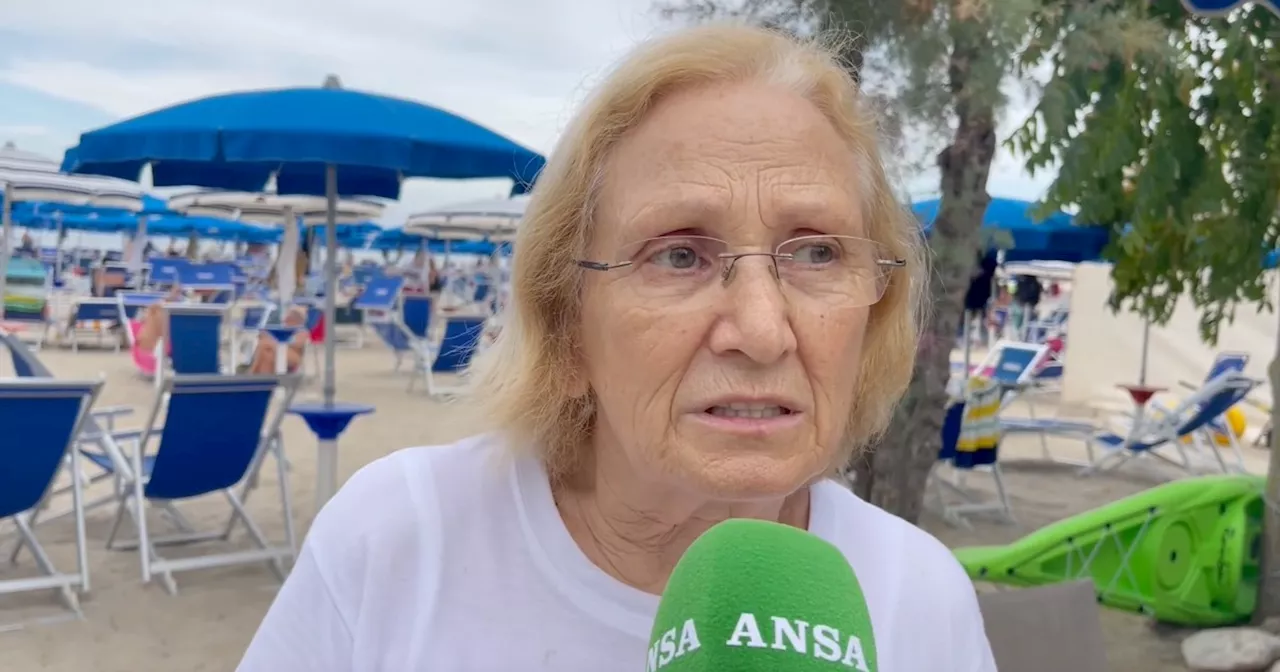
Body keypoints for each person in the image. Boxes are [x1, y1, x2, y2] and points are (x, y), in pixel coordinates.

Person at [237, 24, 995, 671]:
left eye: (817, 253)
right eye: (678, 256)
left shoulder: (918, 597)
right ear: (567, 329)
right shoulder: (400, 541)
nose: (763, 332)